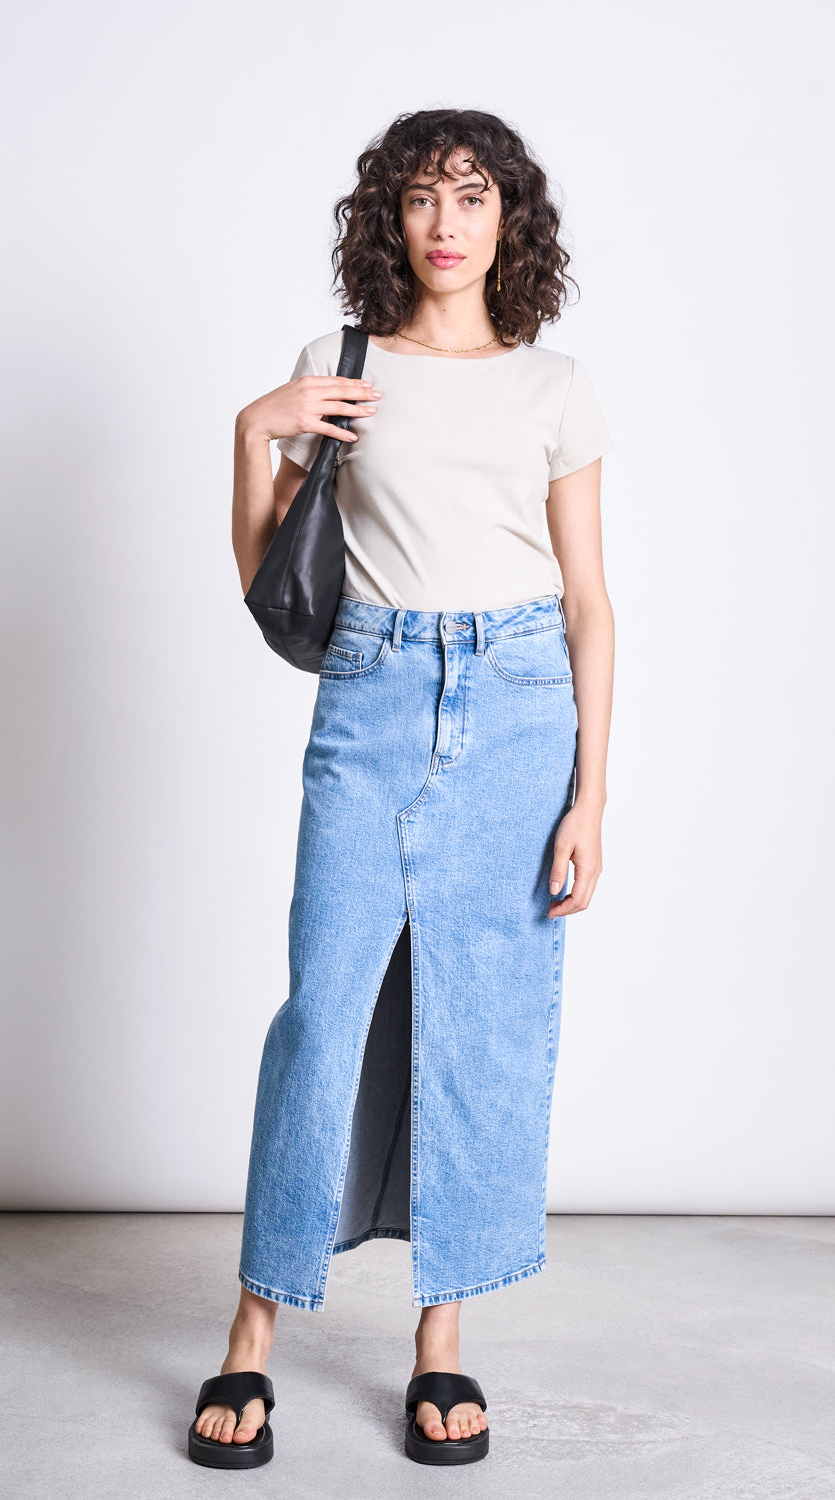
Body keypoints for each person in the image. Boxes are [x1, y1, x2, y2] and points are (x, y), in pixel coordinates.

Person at [188, 107, 615, 1470]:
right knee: (324, 1014)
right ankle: (250, 1342)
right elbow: (272, 583)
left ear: (509, 222)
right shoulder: (342, 367)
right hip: (369, 698)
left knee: (476, 1023)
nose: (445, 221)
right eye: (423, 197)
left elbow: (595, 606)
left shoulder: (554, 388)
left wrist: (591, 797)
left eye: (472, 196)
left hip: (515, 705)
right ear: (392, 218)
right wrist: (254, 430)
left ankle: (441, 1346)